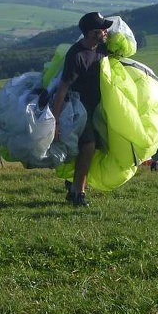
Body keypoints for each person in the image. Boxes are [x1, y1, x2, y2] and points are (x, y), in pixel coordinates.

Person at [50, 11, 113, 207]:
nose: (105, 32)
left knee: (94, 148)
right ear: (90, 33)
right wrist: (55, 121)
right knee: (88, 146)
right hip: (79, 109)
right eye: (101, 29)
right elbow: (62, 88)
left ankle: (73, 185)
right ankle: (79, 193)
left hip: (97, 109)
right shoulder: (76, 56)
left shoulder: (102, 48)